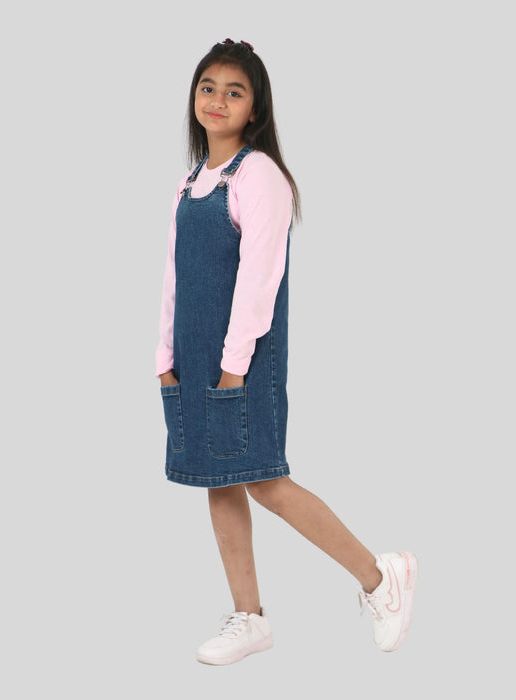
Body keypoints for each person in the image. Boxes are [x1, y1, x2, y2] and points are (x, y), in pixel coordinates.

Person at [155, 38, 418, 665]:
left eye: (234, 92)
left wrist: (233, 366)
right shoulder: (189, 184)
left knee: (266, 481)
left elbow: (259, 281)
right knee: (218, 482)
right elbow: (173, 277)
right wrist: (164, 356)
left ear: (255, 109)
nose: (218, 100)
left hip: (241, 359)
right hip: (193, 357)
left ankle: (380, 577)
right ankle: (249, 618)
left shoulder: (260, 178)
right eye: (208, 88)